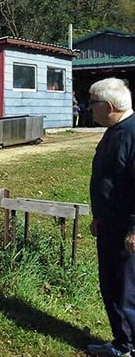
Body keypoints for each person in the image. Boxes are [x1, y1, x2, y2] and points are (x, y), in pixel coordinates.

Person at [86, 77, 135, 357]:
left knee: (128, 291)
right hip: (108, 225)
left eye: (93, 103)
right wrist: (98, 216)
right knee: (112, 287)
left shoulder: (132, 133)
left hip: (126, 231)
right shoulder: (113, 130)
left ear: (109, 106)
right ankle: (122, 343)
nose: (88, 108)